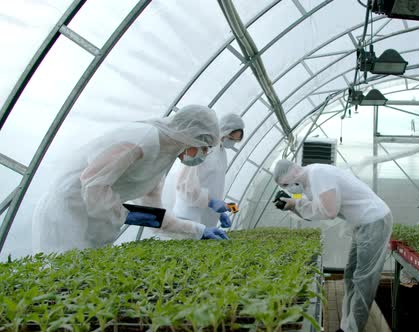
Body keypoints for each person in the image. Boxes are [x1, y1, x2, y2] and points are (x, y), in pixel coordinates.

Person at [32, 105, 227, 253]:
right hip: (66, 212)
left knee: (83, 284)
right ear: (190, 136)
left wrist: (198, 231)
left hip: (92, 220)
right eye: (204, 146)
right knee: (61, 278)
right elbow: (92, 183)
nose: (203, 153)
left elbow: (153, 214)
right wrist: (122, 214)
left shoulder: (163, 158)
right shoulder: (143, 138)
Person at [273, 159, 392, 332]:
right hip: (362, 224)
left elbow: (329, 211)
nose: (289, 189)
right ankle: (346, 326)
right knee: (351, 275)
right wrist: (292, 205)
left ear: (293, 174)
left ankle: (353, 329)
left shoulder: (318, 174)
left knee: (364, 279)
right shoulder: (309, 182)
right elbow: (310, 206)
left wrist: (294, 203)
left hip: (375, 221)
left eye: (286, 184)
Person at [174, 113, 245, 232]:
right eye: (231, 138)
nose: (232, 143)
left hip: (207, 217)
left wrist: (218, 212)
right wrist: (211, 203)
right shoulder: (202, 148)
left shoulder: (222, 152)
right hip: (190, 215)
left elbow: (213, 184)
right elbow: (184, 185)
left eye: (236, 141)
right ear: (222, 131)